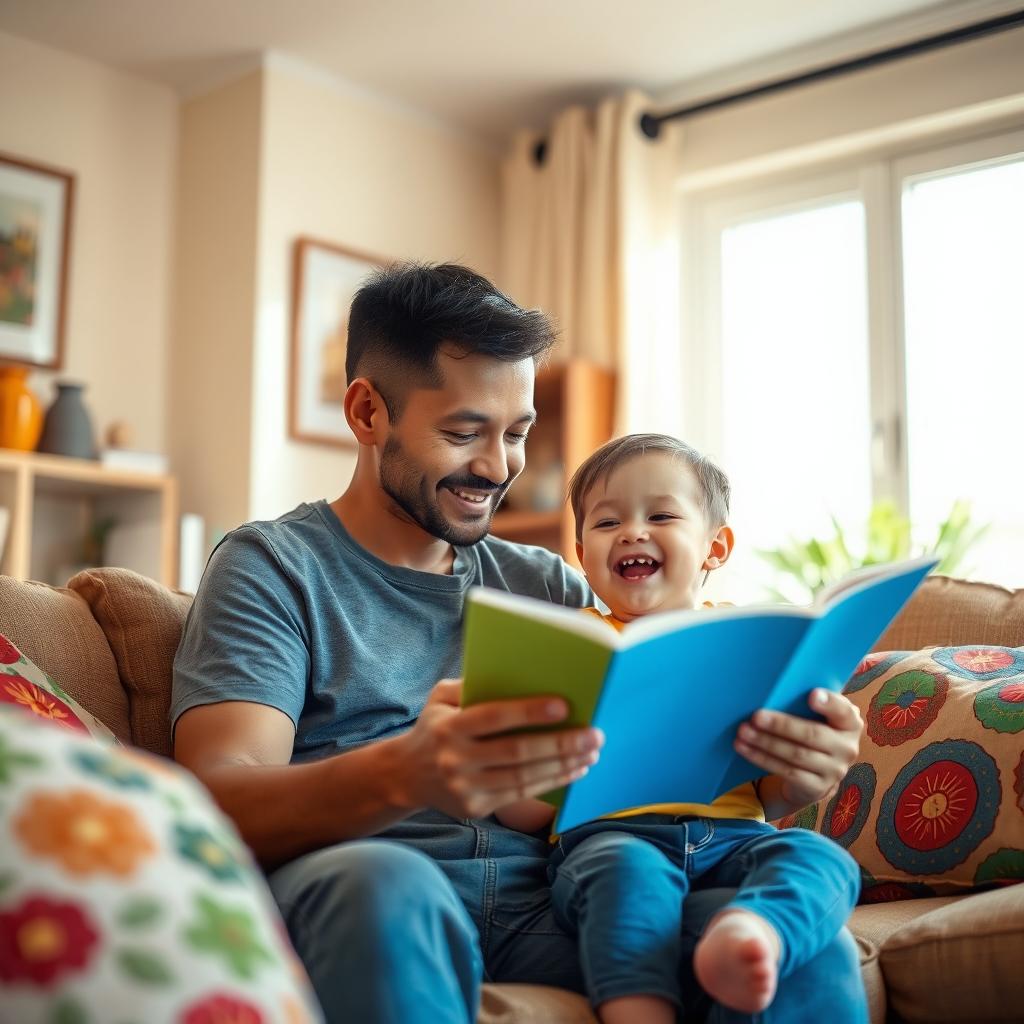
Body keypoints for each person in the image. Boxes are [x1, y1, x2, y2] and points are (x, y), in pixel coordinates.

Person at [171, 263, 866, 1024]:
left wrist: (791, 772)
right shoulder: (274, 567)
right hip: (374, 885)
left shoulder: (549, 585)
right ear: (369, 413)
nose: (498, 467)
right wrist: (407, 772)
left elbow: (643, 779)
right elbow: (214, 797)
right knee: (385, 886)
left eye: (518, 433)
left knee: (809, 950)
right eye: (464, 432)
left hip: (554, 901)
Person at [495, 433, 866, 1023]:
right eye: (606, 521)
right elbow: (520, 814)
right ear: (581, 552)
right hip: (611, 839)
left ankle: (756, 932)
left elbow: (770, 799)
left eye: (661, 514)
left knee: (822, 859)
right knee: (625, 876)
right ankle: (639, 1009)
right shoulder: (573, 645)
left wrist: (800, 773)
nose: (632, 532)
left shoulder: (748, 641)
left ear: (716, 547)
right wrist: (554, 767)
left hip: (736, 840)